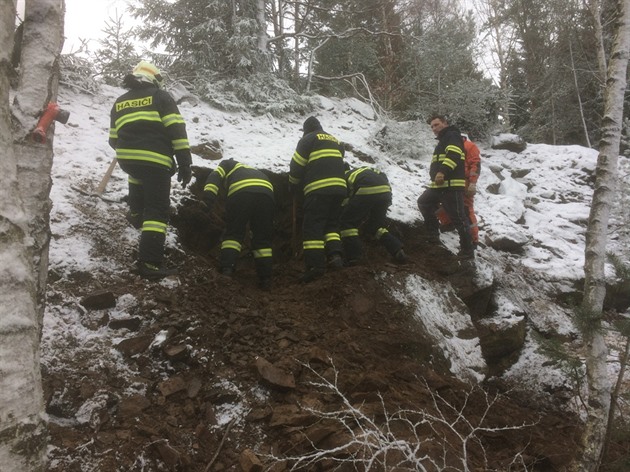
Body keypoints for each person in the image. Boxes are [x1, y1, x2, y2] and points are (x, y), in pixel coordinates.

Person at [109, 60, 192, 279]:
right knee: (157, 211)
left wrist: (131, 149)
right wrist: (184, 162)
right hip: (155, 160)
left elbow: (113, 139)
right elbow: (177, 130)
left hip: (127, 159)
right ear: (154, 79)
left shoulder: (120, 102)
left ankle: (136, 214)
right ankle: (150, 264)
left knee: (138, 174)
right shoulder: (160, 97)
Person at [202, 159, 275, 291]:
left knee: (233, 234)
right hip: (266, 194)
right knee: (262, 239)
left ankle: (227, 270)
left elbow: (215, 176)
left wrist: (208, 199)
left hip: (241, 191)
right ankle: (266, 279)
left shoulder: (227, 164)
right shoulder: (253, 171)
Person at [289, 117, 346, 283]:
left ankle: (315, 266)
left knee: (313, 226)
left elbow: (297, 165)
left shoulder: (307, 139)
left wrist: (293, 184)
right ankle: (335, 257)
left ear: (306, 129)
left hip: (319, 189)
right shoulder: (335, 140)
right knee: (332, 225)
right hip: (340, 189)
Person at [417, 114, 474, 259]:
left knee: (459, 219)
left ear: (445, 123)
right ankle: (433, 235)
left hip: (451, 186)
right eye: (432, 127)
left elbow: (454, 155)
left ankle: (467, 252)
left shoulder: (452, 135)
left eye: (436, 125)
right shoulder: (444, 140)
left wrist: (442, 172)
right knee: (424, 202)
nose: (434, 129)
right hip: (439, 186)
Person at [340, 165, 407, 265]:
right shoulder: (364, 170)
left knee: (347, 224)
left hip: (366, 190)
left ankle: (355, 257)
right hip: (385, 192)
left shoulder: (343, 178)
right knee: (375, 226)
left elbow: (344, 203)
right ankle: (397, 249)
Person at [436, 133, 481, 246]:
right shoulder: (446, 146)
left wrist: (472, 183)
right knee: (443, 203)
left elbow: (475, 165)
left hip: (464, 183)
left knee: (466, 209)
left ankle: (473, 240)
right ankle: (448, 223)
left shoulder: (469, 146)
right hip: (449, 182)